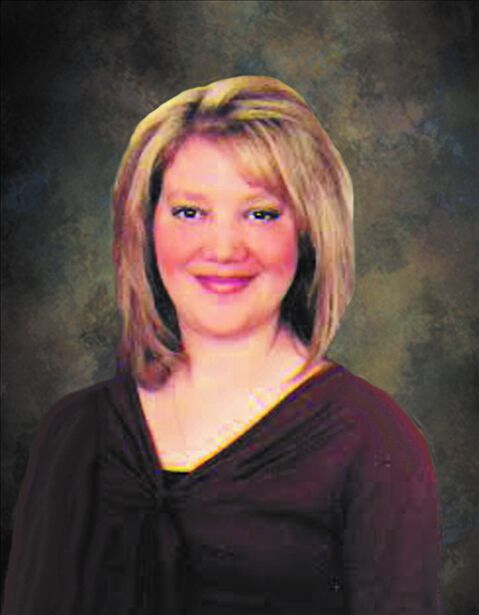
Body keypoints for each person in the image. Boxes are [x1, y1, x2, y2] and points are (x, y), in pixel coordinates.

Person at [2, 76, 442, 614]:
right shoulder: (74, 434)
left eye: (261, 213)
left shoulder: (374, 441)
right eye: (190, 212)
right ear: (146, 226)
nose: (224, 248)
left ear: (309, 232)